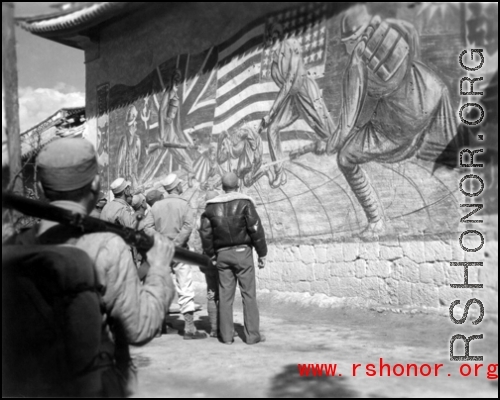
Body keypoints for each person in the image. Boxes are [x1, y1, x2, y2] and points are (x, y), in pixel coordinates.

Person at [8, 138, 176, 396]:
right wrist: (160, 268)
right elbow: (140, 328)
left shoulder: (16, 244)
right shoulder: (107, 247)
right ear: (96, 186)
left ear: (40, 188)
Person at [326, 5, 458, 234]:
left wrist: (330, 142)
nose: (344, 47)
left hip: (401, 122)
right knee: (457, 157)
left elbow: (346, 124)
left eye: (345, 41)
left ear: (351, 38)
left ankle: (375, 222)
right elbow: (413, 47)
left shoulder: (356, 63)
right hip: (432, 88)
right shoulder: (398, 28)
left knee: (345, 158)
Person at [261, 21, 336, 189]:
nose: (272, 41)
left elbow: (289, 81)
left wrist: (271, 112)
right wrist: (272, 116)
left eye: (274, 37)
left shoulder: (291, 45)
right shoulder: (273, 68)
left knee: (326, 130)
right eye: (269, 38)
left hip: (305, 90)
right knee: (272, 128)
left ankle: (343, 149)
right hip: (292, 99)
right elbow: (284, 91)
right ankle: (279, 172)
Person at [199, 172, 267, 345]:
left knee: (225, 296)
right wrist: (262, 253)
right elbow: (256, 229)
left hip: (222, 255)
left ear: (222, 187)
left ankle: (227, 337)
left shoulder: (210, 208)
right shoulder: (245, 203)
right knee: (248, 295)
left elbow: (206, 235)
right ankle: (252, 336)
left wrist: (211, 255)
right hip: (243, 253)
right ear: (238, 185)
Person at [150, 173, 207, 340]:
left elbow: (147, 227)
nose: (182, 186)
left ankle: (158, 327)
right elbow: (189, 226)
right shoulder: (184, 205)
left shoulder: (156, 207)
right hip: (180, 251)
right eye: (180, 184)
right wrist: (176, 243)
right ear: (176, 187)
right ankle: (189, 328)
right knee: (185, 287)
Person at [197, 190, 221, 337]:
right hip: (218, 258)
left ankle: (213, 328)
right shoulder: (219, 216)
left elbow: (197, 243)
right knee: (224, 292)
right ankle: (224, 327)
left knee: (211, 293)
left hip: (205, 260)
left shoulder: (201, 218)